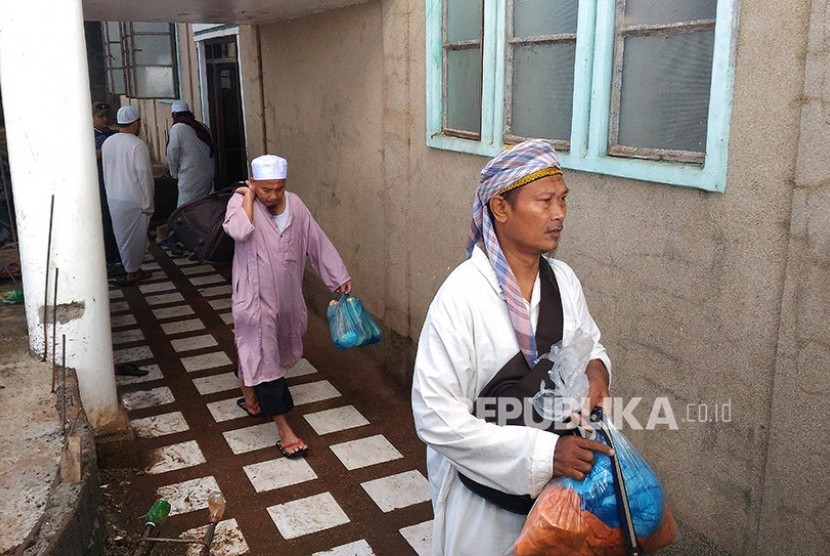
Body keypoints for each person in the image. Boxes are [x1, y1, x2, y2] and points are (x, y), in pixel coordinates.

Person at [411, 139, 615, 555]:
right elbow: (435, 417)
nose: (559, 213)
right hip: (485, 508)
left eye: (563, 200)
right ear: (500, 208)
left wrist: (597, 374)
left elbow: (591, 345)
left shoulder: (564, 281)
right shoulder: (461, 297)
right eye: (544, 201)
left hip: (562, 498)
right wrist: (545, 454)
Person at [223, 154, 351, 458]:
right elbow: (239, 231)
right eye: (265, 189)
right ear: (252, 183)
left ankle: (250, 398)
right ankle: (285, 430)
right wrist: (247, 198)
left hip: (286, 299)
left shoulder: (296, 205)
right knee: (266, 361)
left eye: (278, 189)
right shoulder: (241, 204)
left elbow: (316, 242)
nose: (272, 195)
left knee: (260, 349)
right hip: (254, 300)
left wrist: (337, 276)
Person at [102, 106, 154, 287]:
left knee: (123, 237)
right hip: (134, 200)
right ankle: (132, 272)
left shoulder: (108, 142)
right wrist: (148, 203)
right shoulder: (136, 144)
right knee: (134, 238)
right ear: (136, 123)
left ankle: (131, 269)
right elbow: (144, 176)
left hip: (113, 197)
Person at [92, 101, 124, 279]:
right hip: (100, 186)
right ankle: (110, 259)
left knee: (116, 220)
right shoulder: (88, 136)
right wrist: (106, 149)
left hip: (116, 183)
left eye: (107, 116)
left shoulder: (111, 134)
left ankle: (118, 256)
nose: (105, 119)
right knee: (105, 222)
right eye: (100, 116)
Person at [166, 100, 215, 208]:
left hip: (190, 177)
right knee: (202, 205)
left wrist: (173, 173)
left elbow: (172, 152)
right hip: (207, 175)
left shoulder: (177, 128)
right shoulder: (202, 127)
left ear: (174, 115)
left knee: (185, 210)